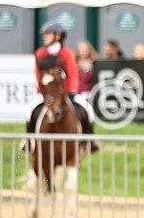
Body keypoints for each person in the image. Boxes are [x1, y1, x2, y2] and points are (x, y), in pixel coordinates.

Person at [24, 21, 97, 152]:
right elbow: (38, 74)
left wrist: (71, 91)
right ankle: (29, 142)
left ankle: (89, 141)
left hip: (66, 92)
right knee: (29, 112)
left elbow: (72, 73)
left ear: (57, 36)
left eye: (47, 34)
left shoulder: (66, 53)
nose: (44, 37)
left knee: (88, 110)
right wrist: (44, 91)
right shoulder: (40, 53)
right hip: (45, 92)